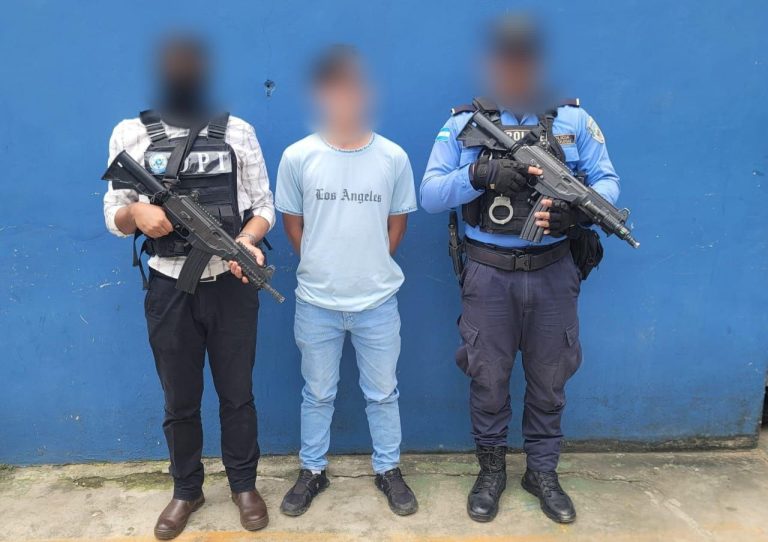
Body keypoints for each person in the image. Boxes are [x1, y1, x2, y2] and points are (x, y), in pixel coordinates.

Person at [420, 15, 621, 524]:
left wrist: (577, 212)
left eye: (524, 59)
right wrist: (480, 173)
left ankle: (542, 471)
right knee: (487, 377)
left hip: (553, 271)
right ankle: (491, 471)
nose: (516, 69)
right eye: (506, 59)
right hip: (488, 275)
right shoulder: (463, 124)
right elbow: (430, 194)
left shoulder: (573, 120)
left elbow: (607, 182)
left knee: (551, 379)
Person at [102, 36, 274, 539]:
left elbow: (263, 205)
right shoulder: (131, 134)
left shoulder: (237, 131)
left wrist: (246, 242)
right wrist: (137, 212)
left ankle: (244, 485)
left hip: (231, 286)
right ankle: (186, 489)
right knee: (179, 398)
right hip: (168, 286)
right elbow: (113, 215)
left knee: (237, 393)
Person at [274, 45, 419, 517]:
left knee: (383, 393)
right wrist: (324, 263)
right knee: (317, 393)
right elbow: (292, 223)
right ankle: (312, 470)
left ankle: (388, 469)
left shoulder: (393, 157)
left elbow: (397, 224)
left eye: (353, 86)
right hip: (316, 302)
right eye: (335, 87)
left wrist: (367, 264)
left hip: (377, 302)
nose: (345, 96)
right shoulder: (298, 156)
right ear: (321, 94)